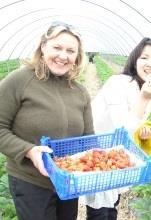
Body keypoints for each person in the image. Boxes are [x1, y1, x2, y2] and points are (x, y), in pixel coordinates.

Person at [0, 21, 94, 220]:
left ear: (77, 56)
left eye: (70, 50)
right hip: (30, 181)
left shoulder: (80, 92)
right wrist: (29, 151)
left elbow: (88, 138)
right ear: (43, 47)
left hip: (69, 181)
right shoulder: (19, 81)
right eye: (57, 47)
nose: (63, 56)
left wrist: (102, 161)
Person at [82, 37, 151, 220]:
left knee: (112, 205)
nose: (150, 63)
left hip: (114, 154)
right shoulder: (119, 83)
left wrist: (144, 130)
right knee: (99, 210)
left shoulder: (147, 87)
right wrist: (144, 98)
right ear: (135, 61)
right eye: (144, 57)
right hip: (96, 153)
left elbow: (134, 122)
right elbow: (122, 127)